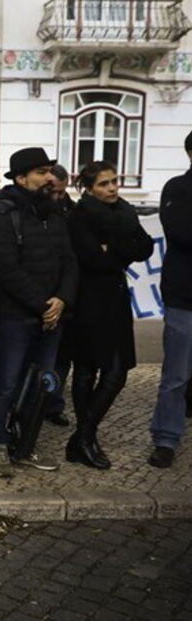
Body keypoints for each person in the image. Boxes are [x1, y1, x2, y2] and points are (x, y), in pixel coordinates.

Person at [0, 147, 78, 477]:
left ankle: (25, 447)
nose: (49, 177)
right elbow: (6, 269)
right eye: (41, 172)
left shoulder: (54, 214)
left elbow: (69, 261)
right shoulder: (3, 214)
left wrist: (62, 300)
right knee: (6, 384)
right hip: (15, 317)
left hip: (52, 318)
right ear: (21, 178)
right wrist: (43, 305)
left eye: (50, 170)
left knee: (42, 385)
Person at [64, 161, 153, 469]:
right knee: (87, 369)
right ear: (89, 188)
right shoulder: (80, 217)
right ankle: (84, 441)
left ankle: (82, 437)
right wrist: (117, 251)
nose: (113, 187)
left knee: (117, 372)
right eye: (104, 184)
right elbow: (93, 260)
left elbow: (145, 248)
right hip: (88, 302)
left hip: (114, 300)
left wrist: (111, 248)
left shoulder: (125, 212)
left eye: (114, 180)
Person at [149, 130, 192, 468]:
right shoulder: (177, 188)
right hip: (184, 297)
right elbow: (181, 233)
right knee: (176, 374)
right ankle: (166, 438)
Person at [44, 164, 77, 428]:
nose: (55, 197)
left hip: (65, 297)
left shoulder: (71, 211)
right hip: (39, 296)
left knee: (62, 357)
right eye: (52, 191)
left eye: (60, 192)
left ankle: (53, 403)